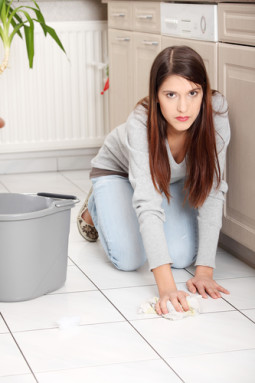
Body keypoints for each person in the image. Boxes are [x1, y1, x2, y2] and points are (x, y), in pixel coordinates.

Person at [77, 45, 230, 315]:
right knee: (128, 258)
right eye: (171, 95)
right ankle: (96, 205)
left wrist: (205, 271)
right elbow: (148, 203)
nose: (184, 107)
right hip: (118, 172)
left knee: (183, 257)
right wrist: (167, 288)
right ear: (156, 96)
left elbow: (213, 190)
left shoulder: (215, 112)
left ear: (204, 92)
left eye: (193, 93)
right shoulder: (140, 121)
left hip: (166, 180)